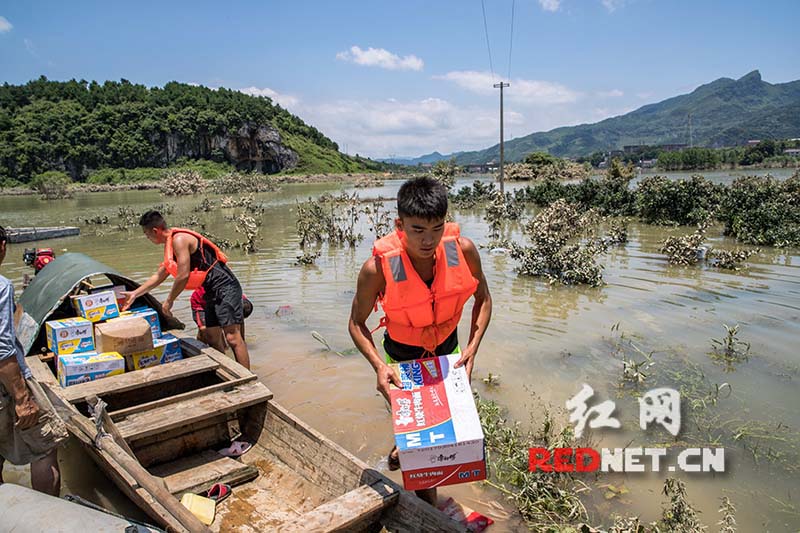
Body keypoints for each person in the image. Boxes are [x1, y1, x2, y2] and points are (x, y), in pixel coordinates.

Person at [348, 177, 492, 506]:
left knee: (449, 438)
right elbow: (356, 324)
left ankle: (407, 452)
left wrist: (472, 349)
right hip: (403, 360)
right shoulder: (378, 269)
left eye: (437, 229)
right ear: (399, 225)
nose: (428, 240)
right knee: (424, 455)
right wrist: (379, 367)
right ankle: (428, 510)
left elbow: (483, 299)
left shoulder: (463, 251)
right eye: (417, 230)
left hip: (448, 354)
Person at [122, 211, 251, 369]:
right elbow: (159, 275)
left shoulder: (179, 240)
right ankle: (228, 373)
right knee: (211, 336)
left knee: (232, 337)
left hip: (225, 287)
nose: (147, 238)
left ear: (155, 231)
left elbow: (182, 275)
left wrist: (169, 301)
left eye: (147, 234)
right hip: (209, 290)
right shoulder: (171, 245)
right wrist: (135, 293)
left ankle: (248, 379)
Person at [0, 225, 68, 495]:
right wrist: (22, 398)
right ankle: (48, 517)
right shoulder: (2, 286)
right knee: (44, 449)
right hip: (6, 384)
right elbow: (3, 347)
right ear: (3, 246)